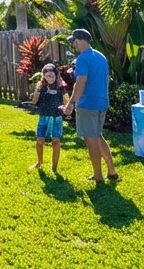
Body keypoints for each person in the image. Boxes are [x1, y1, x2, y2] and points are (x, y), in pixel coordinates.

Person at [61, 29, 117, 182]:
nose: (74, 45)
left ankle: (98, 176)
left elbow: (80, 83)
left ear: (79, 40)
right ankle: (111, 171)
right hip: (102, 102)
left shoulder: (82, 59)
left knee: (90, 139)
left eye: (74, 41)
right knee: (97, 136)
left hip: (88, 104)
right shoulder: (101, 56)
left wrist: (71, 103)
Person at [30, 64, 69, 172]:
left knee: (55, 141)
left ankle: (54, 167)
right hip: (44, 117)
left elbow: (67, 100)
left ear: (56, 75)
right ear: (44, 76)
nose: (49, 77)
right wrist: (37, 91)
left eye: (51, 75)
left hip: (56, 117)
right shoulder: (41, 86)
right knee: (39, 140)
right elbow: (34, 101)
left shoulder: (61, 87)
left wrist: (65, 107)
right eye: (47, 75)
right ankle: (39, 162)